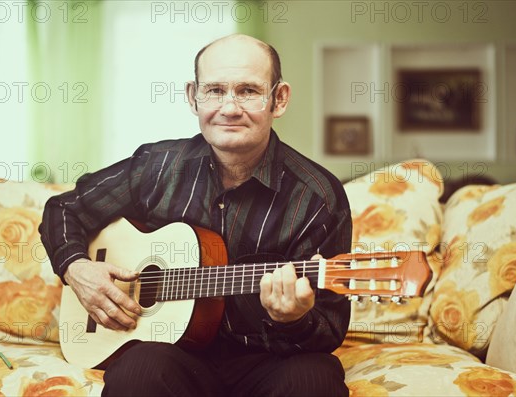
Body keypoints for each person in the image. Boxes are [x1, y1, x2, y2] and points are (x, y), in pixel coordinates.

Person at [39, 34, 352, 397]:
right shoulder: (154, 168)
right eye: (215, 91)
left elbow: (329, 325)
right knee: (138, 373)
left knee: (315, 380)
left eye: (248, 91)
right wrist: (78, 269)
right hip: (172, 355)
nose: (230, 108)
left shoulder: (319, 197)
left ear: (278, 99)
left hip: (269, 360)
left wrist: (293, 318)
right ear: (193, 97)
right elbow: (62, 209)